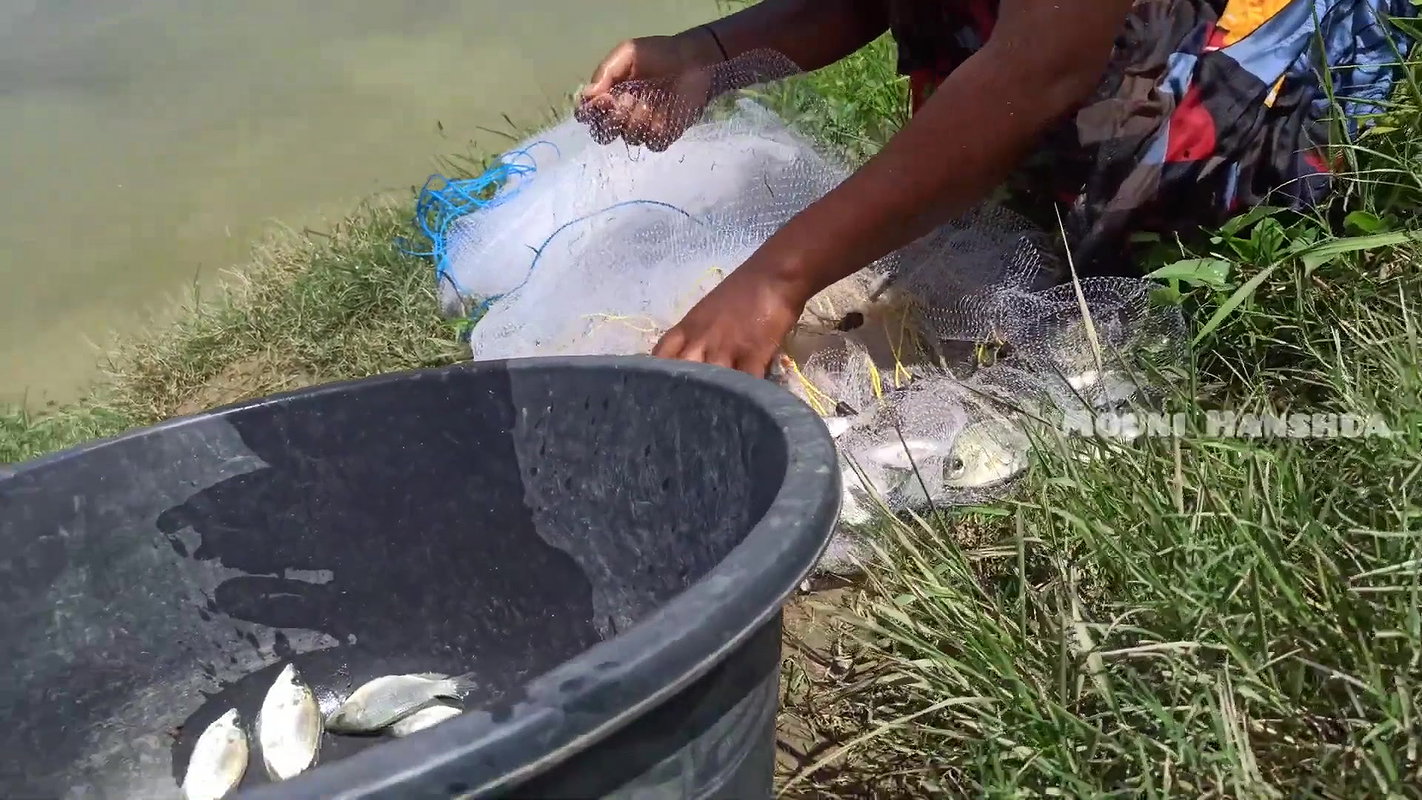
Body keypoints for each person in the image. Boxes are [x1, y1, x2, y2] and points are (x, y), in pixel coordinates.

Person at [576, 0, 1417, 378]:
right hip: (1052, 44)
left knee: (1146, 185)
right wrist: (705, 52)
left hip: (1236, 71)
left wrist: (776, 278)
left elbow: (1037, 69)